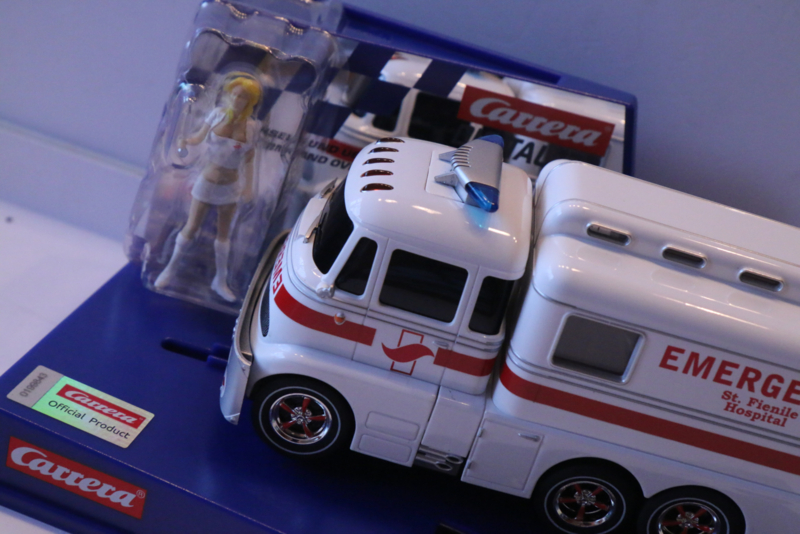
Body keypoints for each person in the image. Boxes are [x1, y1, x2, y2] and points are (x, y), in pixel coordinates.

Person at [155, 73, 262, 301]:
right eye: (235, 95)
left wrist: (248, 188)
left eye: (243, 97)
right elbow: (198, 137)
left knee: (224, 235)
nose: (238, 100)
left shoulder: (251, 127)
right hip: (207, 180)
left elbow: (250, 159)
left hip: (231, 185)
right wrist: (184, 140)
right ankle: (170, 269)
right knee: (191, 227)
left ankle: (220, 281)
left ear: (250, 101)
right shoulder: (217, 115)